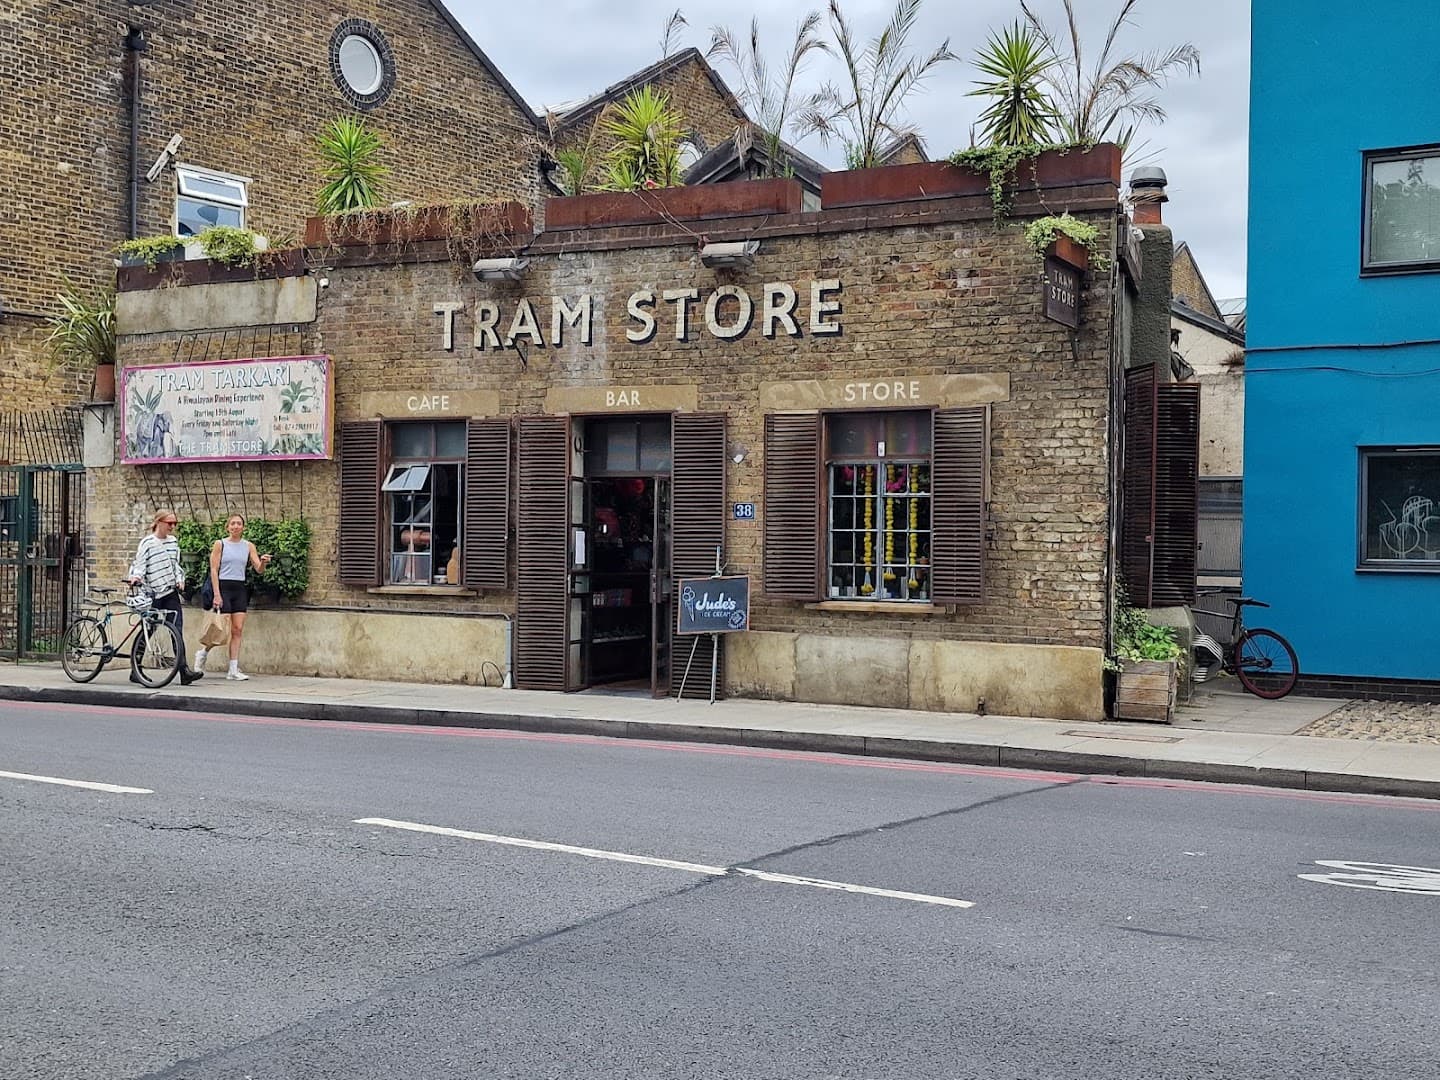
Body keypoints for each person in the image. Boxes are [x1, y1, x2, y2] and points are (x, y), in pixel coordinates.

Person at [127, 509, 203, 685]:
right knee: (149, 629)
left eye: (175, 523)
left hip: (170, 592)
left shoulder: (173, 542)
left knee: (176, 629)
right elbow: (140, 564)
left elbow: (175, 564)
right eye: (169, 523)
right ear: (159, 522)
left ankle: (183, 671)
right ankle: (136, 669)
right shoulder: (147, 543)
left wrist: (179, 579)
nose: (173, 526)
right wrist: (137, 577)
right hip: (151, 593)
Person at [197, 513, 272, 681]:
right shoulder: (220, 544)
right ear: (227, 527)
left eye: (239, 523)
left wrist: (263, 562)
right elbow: (214, 570)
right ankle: (203, 653)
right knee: (220, 629)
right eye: (233, 523)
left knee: (237, 630)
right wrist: (217, 594)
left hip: (239, 588)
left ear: (243, 527)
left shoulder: (248, 546)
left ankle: (233, 669)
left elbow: (258, 569)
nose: (236, 526)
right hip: (223, 586)